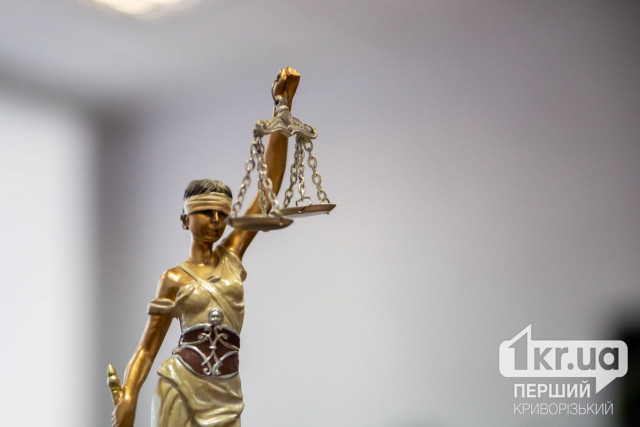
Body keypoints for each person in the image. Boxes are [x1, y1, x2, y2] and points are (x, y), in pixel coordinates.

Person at [111, 67, 300, 427]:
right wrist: (130, 395)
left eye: (222, 214)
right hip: (181, 387)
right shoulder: (173, 279)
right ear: (186, 219)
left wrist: (282, 107)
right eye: (205, 213)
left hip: (226, 392)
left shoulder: (231, 256)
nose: (215, 220)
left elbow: (269, 188)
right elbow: (147, 346)